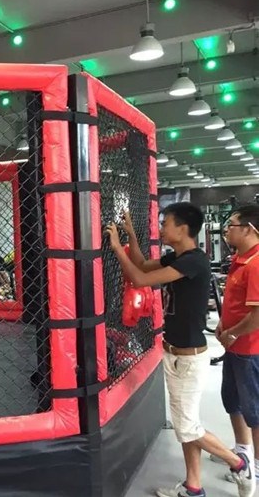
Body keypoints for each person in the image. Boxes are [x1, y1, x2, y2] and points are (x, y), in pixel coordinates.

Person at [104, 204, 255, 497]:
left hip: (188, 358)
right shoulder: (177, 257)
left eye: (166, 224)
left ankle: (239, 464)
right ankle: (193, 487)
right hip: (174, 353)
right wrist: (130, 234)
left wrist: (116, 248)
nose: (161, 229)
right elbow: (142, 265)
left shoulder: (194, 261)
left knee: (187, 427)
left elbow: (140, 279)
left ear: (183, 229)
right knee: (188, 424)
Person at [211, 204, 259, 487]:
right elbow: (236, 303)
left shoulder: (256, 264)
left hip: (250, 350)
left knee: (255, 411)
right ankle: (243, 451)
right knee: (232, 400)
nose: (226, 230)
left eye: (232, 225)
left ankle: (257, 468)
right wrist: (223, 324)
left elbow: (257, 316)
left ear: (250, 229)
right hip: (234, 347)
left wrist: (232, 333)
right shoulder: (240, 259)